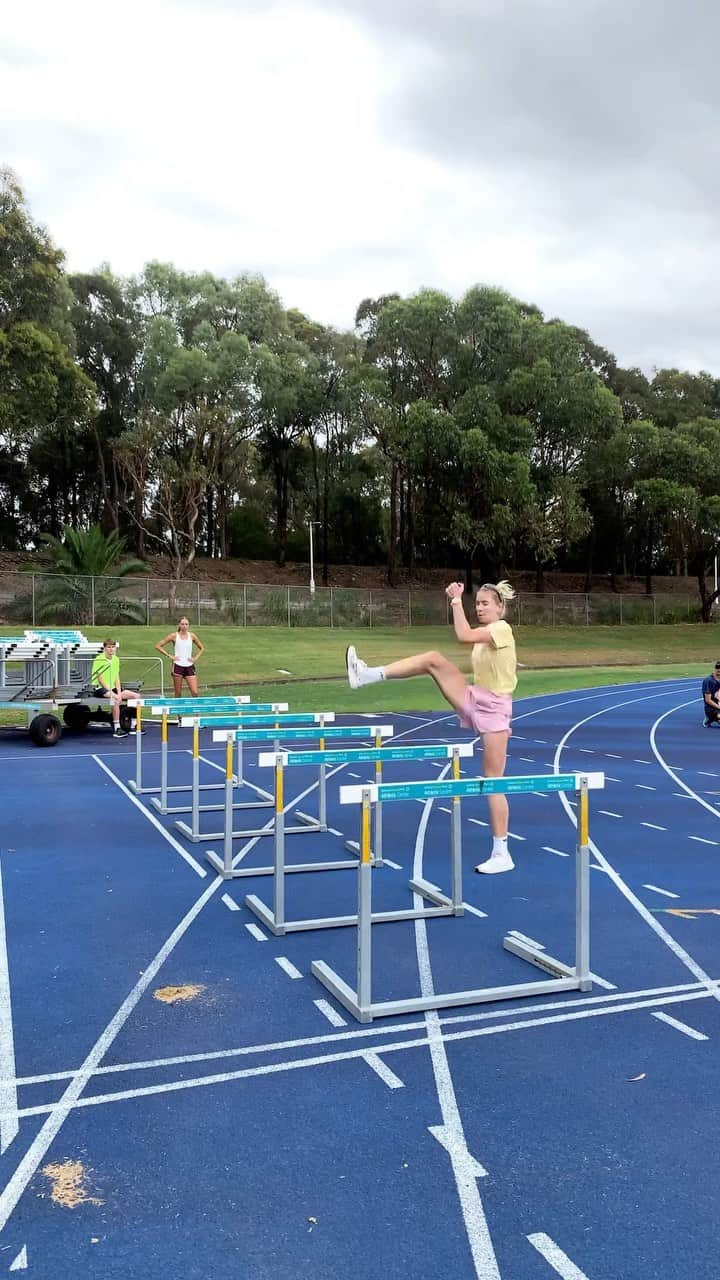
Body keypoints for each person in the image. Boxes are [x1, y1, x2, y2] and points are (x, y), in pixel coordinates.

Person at [346, 580, 518, 874]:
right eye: (476, 603)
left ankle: (502, 852)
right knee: (432, 660)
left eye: (484, 603)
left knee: (493, 781)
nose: (478, 607)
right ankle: (366, 675)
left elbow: (462, 634)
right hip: (476, 697)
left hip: (495, 711)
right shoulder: (485, 635)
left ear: (500, 607)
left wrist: (455, 600)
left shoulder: (501, 629)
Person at [90, 639, 136, 737]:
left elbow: (116, 677)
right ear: (105, 649)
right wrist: (112, 693)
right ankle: (117, 728)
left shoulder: (116, 659)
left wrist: (119, 692)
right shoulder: (99, 659)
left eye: (113, 647)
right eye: (109, 647)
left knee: (136, 696)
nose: (111, 649)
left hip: (113, 688)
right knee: (115, 699)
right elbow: (100, 678)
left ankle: (134, 726)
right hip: (99, 688)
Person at [155, 617, 205, 697]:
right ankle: (177, 709)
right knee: (178, 693)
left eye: (186, 624)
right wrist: (169, 656)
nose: (184, 626)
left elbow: (202, 648)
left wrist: (195, 658)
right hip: (178, 666)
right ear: (179, 625)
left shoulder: (192, 636)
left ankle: (195, 709)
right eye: (182, 624)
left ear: (188, 626)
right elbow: (158, 646)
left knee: (195, 692)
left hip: (189, 666)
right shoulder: (174, 636)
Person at [701, 661, 720, 726]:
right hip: (712, 708)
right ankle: (709, 719)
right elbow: (708, 700)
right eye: (717, 667)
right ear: (715, 668)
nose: (719, 669)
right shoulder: (708, 681)